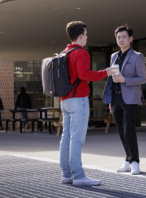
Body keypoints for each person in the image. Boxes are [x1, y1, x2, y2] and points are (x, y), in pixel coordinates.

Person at [59, 21, 113, 186]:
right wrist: (106, 72)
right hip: (78, 99)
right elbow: (84, 74)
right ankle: (79, 175)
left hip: (65, 100)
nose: (87, 38)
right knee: (77, 139)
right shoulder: (81, 53)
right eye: (86, 35)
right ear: (80, 36)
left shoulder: (65, 52)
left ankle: (67, 174)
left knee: (66, 137)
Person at [103, 25, 146, 176]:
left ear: (130, 39)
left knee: (129, 129)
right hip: (116, 98)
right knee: (121, 130)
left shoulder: (137, 56)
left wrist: (125, 80)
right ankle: (127, 160)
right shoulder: (114, 56)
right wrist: (110, 100)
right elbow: (111, 79)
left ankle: (135, 161)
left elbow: (142, 79)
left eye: (124, 37)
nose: (121, 39)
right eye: (118, 37)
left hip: (130, 97)